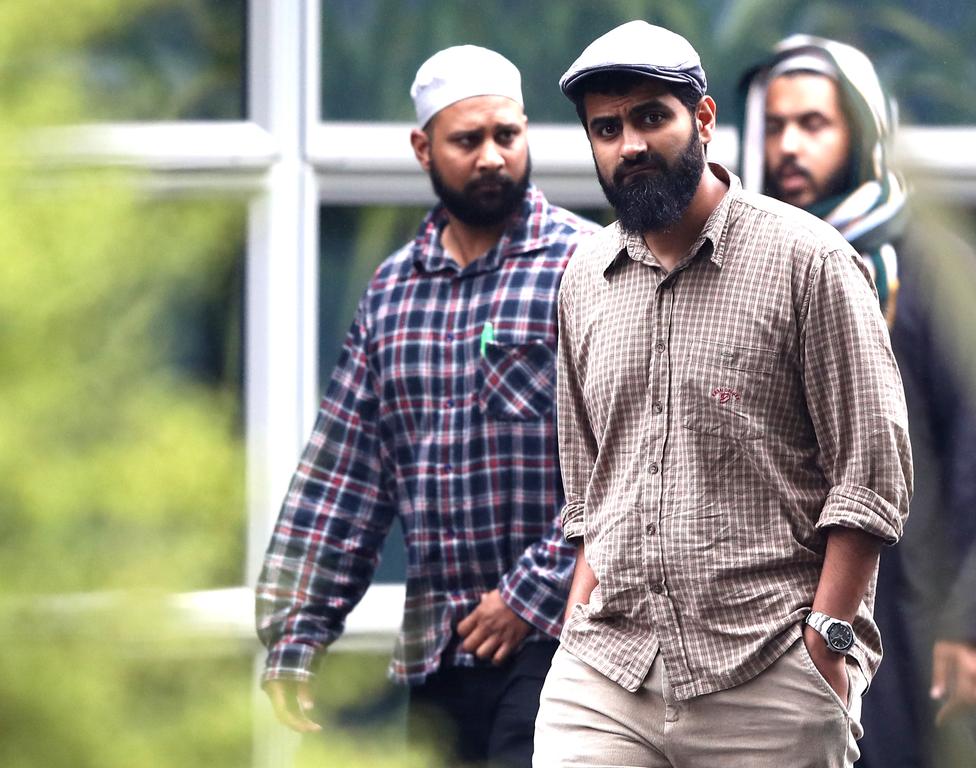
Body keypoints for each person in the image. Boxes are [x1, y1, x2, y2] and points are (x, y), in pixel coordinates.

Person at [532, 20, 913, 768]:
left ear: (703, 119)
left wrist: (827, 642)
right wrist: (575, 628)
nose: (629, 145)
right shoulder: (582, 281)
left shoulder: (812, 262)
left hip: (767, 673)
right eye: (606, 128)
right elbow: (591, 494)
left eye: (651, 117)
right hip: (607, 676)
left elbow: (873, 475)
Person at [255, 44, 597, 768]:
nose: (493, 158)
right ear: (423, 148)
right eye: (467, 141)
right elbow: (344, 476)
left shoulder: (586, 267)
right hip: (439, 653)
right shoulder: (392, 295)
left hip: (564, 644)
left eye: (507, 135)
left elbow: (634, 458)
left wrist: (531, 592)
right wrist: (296, 633)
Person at [739, 36, 976, 768]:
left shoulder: (928, 265)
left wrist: (972, 625)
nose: (789, 145)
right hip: (761, 620)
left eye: (813, 124)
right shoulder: (738, 267)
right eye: (774, 126)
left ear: (859, 131)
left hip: (902, 614)